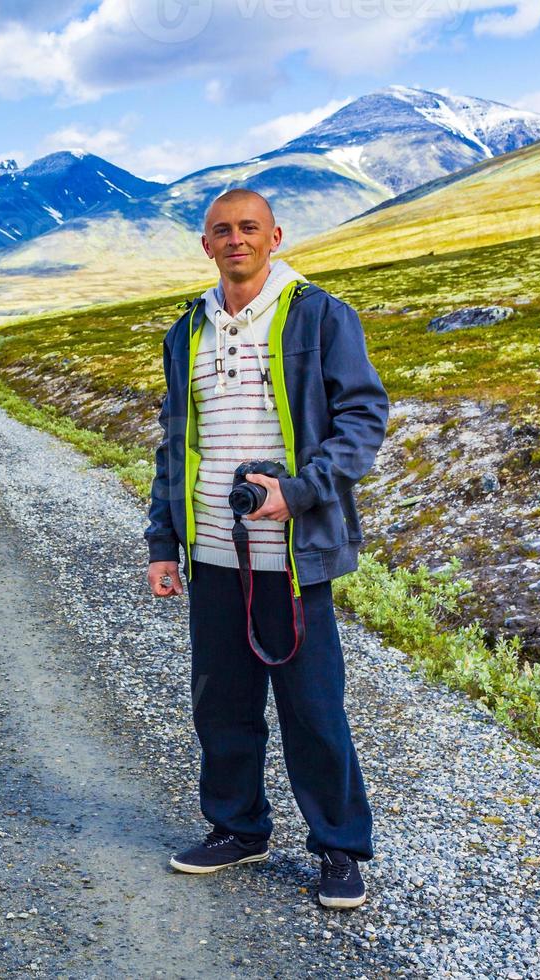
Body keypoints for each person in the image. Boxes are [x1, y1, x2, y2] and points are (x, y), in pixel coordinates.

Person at [144, 188, 389, 910]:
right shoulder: (186, 330)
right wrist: (164, 541)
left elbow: (364, 413)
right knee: (221, 705)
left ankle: (340, 849)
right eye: (221, 230)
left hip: (293, 553)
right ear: (206, 245)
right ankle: (237, 828)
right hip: (215, 554)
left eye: (248, 227)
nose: (235, 239)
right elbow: (173, 447)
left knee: (313, 709)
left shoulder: (319, 314)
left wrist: (304, 489)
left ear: (275, 236)